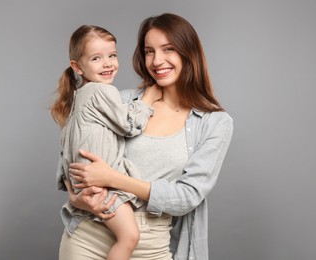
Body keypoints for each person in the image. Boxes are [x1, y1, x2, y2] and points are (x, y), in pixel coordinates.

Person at [63, 13, 234, 260]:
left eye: (168, 49)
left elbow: (187, 196)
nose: (157, 61)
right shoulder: (122, 101)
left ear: (189, 53)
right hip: (87, 236)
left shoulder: (214, 123)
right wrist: (75, 196)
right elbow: (73, 147)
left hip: (150, 244)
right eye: (149, 51)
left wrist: (114, 178)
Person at [51, 25, 161, 260]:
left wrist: (73, 190)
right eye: (96, 58)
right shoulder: (102, 91)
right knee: (129, 237)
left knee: (124, 236)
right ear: (77, 67)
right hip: (105, 189)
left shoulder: (76, 100)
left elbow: (63, 155)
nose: (108, 63)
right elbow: (129, 125)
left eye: (112, 55)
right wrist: (148, 99)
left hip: (85, 188)